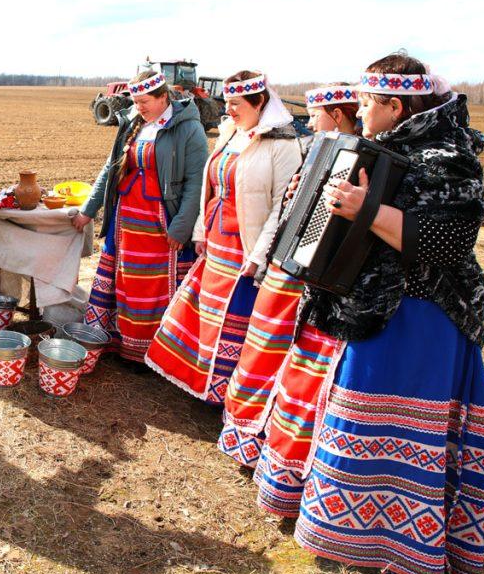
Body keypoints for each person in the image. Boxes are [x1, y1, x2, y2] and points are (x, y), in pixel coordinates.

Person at [288, 54, 484, 574]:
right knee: (361, 420)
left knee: (401, 432)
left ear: (394, 106)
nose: (358, 109)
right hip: (379, 308)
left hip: (422, 317)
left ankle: (408, 546)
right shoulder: (383, 148)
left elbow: (449, 244)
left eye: (366, 102)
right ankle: (359, 531)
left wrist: (366, 211)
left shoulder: (449, 155)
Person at [219, 84, 360, 468]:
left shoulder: (356, 156)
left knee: (291, 360)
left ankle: (277, 443)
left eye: (316, 114)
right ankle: (249, 435)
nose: (309, 121)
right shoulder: (315, 147)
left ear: (335, 114)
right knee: (264, 349)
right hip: (287, 264)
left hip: (312, 274)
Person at [144, 71, 301, 403]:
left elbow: (282, 208)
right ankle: (199, 381)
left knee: (233, 320)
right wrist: (200, 231)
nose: (228, 110)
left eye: (236, 104)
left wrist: (259, 255)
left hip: (245, 244)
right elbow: (208, 186)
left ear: (259, 102)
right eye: (227, 102)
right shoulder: (231, 133)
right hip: (216, 240)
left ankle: (224, 394)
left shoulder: (283, 144)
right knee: (207, 315)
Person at [73, 70, 207, 367]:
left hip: (160, 224)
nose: (139, 107)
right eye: (135, 101)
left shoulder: (188, 129)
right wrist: (88, 210)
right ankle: (120, 343)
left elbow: (196, 183)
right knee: (125, 282)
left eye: (144, 101)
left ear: (163, 97)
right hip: (126, 222)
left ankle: (151, 353)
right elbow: (111, 170)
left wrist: (181, 228)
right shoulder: (134, 122)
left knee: (152, 286)